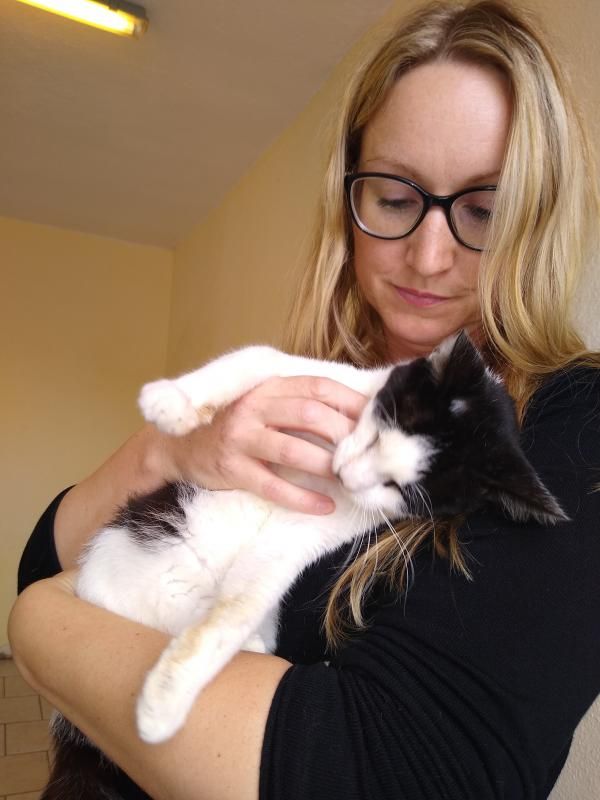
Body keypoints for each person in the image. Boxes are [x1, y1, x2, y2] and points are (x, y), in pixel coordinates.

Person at [8, 1, 600, 798]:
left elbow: (383, 775)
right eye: (395, 198)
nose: (429, 257)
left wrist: (40, 627)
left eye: (484, 210)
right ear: (348, 197)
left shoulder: (573, 425)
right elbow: (52, 557)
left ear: (538, 214)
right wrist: (167, 453)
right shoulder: (309, 383)